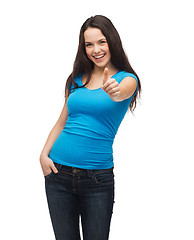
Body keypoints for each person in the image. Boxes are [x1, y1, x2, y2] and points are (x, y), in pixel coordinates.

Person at [40, 15, 141, 240]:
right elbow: (61, 121)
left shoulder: (127, 80)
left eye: (101, 42)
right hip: (58, 174)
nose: (96, 49)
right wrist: (43, 154)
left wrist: (115, 90)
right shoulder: (75, 80)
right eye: (89, 44)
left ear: (112, 41)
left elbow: (123, 91)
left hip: (97, 179)